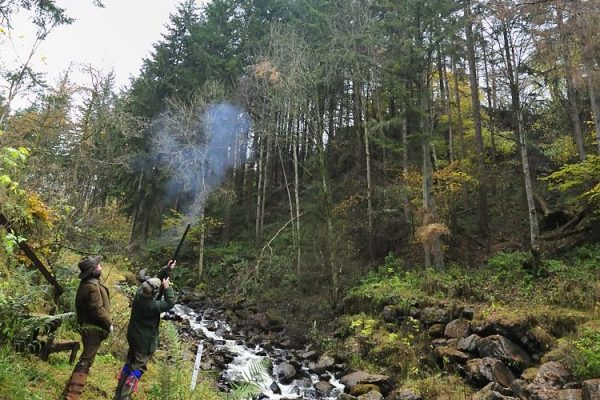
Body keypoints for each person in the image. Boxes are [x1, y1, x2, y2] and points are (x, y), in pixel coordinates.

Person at [114, 260, 176, 399]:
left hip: (133, 337)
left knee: (130, 363)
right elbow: (170, 303)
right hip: (143, 342)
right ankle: (124, 397)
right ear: (155, 293)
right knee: (138, 369)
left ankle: (118, 394)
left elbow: (153, 283)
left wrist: (166, 269)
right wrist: (167, 288)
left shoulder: (139, 294)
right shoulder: (152, 306)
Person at [61, 255, 112, 400]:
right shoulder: (92, 287)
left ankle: (68, 391)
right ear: (94, 271)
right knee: (86, 361)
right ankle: (72, 396)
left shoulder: (90, 283)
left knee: (86, 359)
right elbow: (97, 309)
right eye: (98, 266)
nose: (101, 267)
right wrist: (109, 323)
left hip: (90, 327)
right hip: (92, 329)